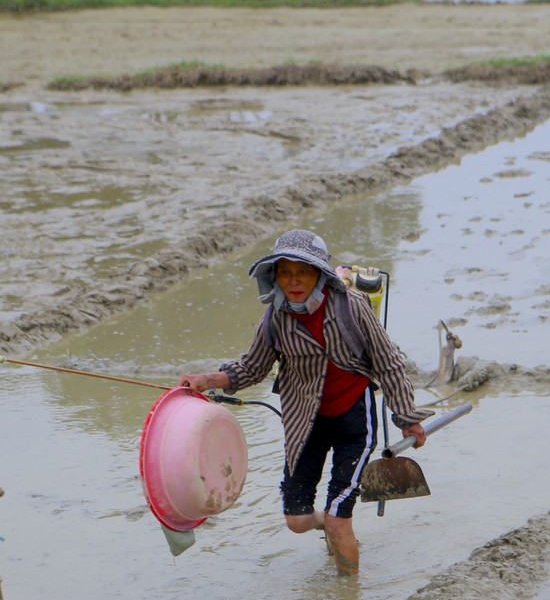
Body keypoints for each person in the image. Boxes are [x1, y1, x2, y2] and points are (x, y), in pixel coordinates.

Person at [178, 229, 430, 575]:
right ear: (275, 276)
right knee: (297, 520)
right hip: (305, 423)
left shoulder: (351, 307)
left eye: (303, 272)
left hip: (354, 419)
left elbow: (389, 362)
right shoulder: (276, 318)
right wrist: (206, 381)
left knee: (340, 518)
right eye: (285, 272)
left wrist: (406, 417)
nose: (294, 281)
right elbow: (251, 369)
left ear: (320, 274)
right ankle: (328, 526)